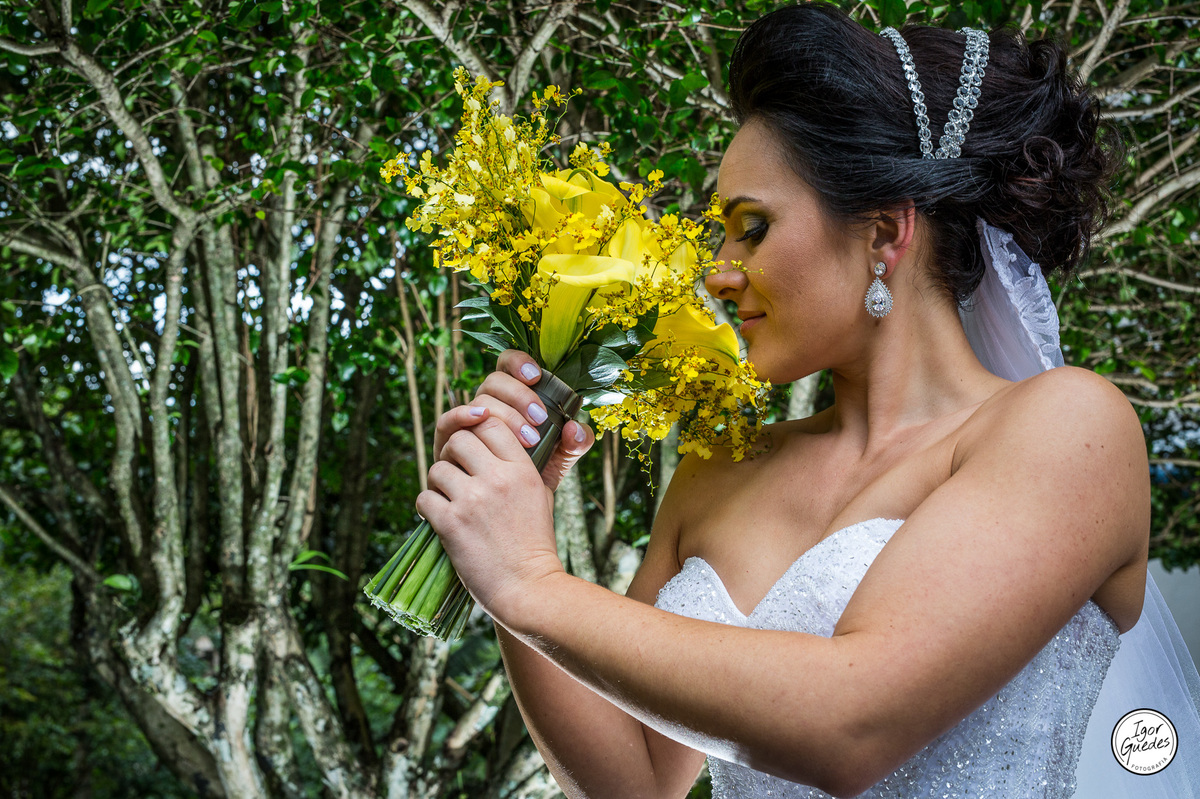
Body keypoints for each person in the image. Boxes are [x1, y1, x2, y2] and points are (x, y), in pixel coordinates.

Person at [415, 4, 1199, 797]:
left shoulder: (1069, 428)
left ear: (885, 234)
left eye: (751, 229)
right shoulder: (718, 472)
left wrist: (532, 582)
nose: (718, 273)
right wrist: (515, 531)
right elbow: (637, 784)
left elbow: (850, 725)